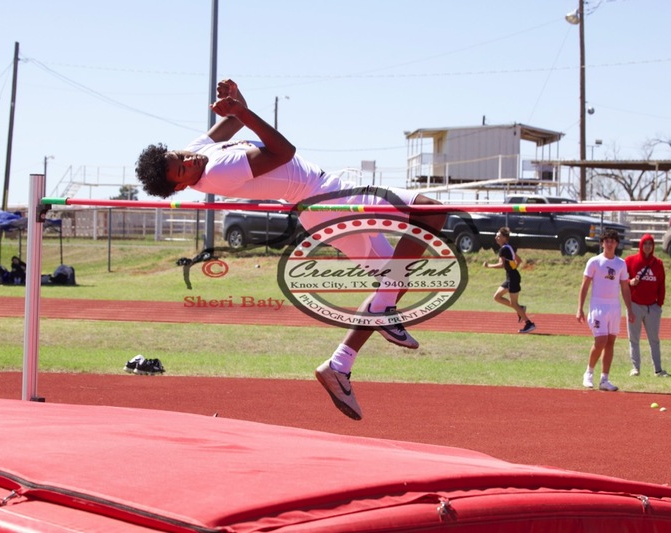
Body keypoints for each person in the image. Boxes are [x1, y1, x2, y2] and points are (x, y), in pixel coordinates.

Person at [135, 79, 446, 421]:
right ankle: (385, 309)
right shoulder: (219, 173)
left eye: (181, 155)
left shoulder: (200, 153)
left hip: (317, 209)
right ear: (181, 185)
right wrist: (244, 111)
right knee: (431, 210)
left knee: (392, 280)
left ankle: (338, 366)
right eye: (184, 168)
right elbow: (285, 152)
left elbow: (236, 121)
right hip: (331, 196)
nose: (190, 159)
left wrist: (234, 101)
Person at [576, 229, 635, 392]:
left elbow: (625, 287)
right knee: (600, 341)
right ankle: (588, 372)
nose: (609, 244)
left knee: (610, 342)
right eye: (606, 241)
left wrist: (629, 308)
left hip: (614, 307)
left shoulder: (621, 264)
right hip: (598, 306)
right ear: (602, 243)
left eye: (613, 241)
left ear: (616, 244)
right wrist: (579, 308)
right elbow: (585, 285)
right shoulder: (594, 262)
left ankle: (604, 379)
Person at [625, 234, 669, 377]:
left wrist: (659, 304)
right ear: (641, 245)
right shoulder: (630, 261)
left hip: (652, 307)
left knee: (654, 339)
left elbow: (661, 285)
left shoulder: (658, 263)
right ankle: (635, 368)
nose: (648, 246)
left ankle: (658, 369)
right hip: (635, 305)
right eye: (645, 243)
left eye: (650, 243)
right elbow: (622, 279)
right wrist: (630, 282)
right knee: (634, 338)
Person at [482, 227, 535, 333]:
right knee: (497, 297)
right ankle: (520, 309)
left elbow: (501, 265)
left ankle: (529, 324)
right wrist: (513, 268)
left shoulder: (503, 249)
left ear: (505, 238)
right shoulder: (508, 247)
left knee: (513, 303)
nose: (496, 237)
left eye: (499, 236)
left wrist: (489, 266)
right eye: (496, 235)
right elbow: (519, 260)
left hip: (513, 277)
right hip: (511, 276)